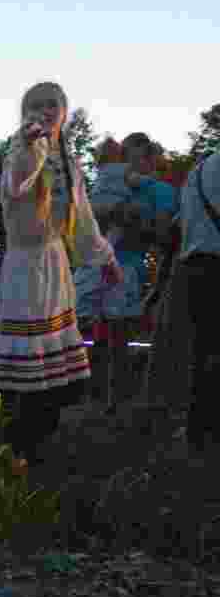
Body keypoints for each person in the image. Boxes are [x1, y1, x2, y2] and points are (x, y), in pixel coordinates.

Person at [0, 82, 122, 463]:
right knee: (25, 368)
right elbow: (17, 185)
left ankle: (40, 449)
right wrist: (32, 146)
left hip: (54, 265)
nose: (45, 111)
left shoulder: (71, 161)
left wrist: (106, 258)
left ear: (63, 112)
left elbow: (82, 220)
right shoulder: (20, 151)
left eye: (52, 105)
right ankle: (13, 450)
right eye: (36, 105)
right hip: (24, 267)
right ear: (25, 113)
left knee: (54, 370)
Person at [73, 133, 178, 414]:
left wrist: (131, 220)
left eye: (132, 157)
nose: (127, 164)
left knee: (118, 335)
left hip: (127, 267)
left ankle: (114, 401)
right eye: (124, 157)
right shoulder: (114, 181)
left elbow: (164, 235)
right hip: (97, 264)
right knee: (89, 329)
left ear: (147, 159)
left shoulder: (160, 191)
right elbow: (88, 215)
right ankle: (91, 397)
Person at [175, 147, 220, 452]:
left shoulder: (198, 171)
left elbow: (181, 222)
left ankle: (197, 429)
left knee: (204, 349)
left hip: (195, 267)